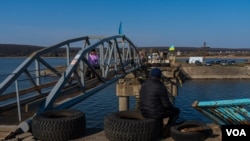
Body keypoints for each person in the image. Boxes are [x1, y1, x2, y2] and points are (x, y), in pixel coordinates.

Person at [139, 67, 180, 138]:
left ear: (150, 75)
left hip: (143, 112)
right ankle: (166, 130)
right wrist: (172, 109)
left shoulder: (144, 85)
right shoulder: (160, 86)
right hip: (155, 113)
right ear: (159, 76)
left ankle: (159, 130)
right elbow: (166, 104)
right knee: (176, 111)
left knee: (158, 110)